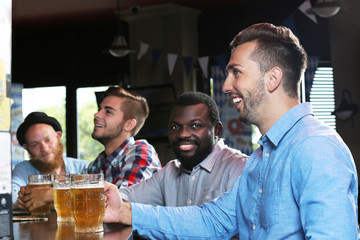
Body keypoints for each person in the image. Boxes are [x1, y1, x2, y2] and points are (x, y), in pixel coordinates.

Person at [103, 23, 359, 239]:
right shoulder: (262, 157)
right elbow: (213, 221)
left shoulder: (316, 147)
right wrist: (124, 212)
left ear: (273, 79)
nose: (226, 86)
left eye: (236, 72)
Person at [119, 91, 248, 207]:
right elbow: (125, 198)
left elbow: (216, 225)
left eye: (196, 125)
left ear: (217, 130)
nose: (183, 134)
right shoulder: (168, 173)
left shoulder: (239, 168)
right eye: (175, 127)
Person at [85, 86, 161, 188]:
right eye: (99, 109)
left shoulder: (141, 152)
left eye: (108, 112)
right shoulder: (98, 163)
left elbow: (124, 201)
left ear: (129, 124)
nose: (96, 114)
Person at [12, 112, 89, 211]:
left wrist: (49, 196)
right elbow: (11, 199)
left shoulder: (83, 167)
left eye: (48, 140)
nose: (44, 148)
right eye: (35, 145)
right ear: (26, 148)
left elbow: (97, 198)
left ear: (58, 136)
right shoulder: (23, 169)